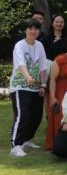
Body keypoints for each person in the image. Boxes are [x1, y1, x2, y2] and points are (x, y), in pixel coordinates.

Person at [9, 19, 48, 157]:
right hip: (20, 85)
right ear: (25, 30)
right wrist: (27, 77)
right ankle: (16, 145)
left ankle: (27, 140)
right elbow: (21, 64)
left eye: (36, 29)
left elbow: (43, 66)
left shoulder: (40, 45)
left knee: (36, 116)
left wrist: (43, 84)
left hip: (35, 86)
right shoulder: (20, 45)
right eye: (30, 28)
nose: (33, 31)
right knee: (23, 115)